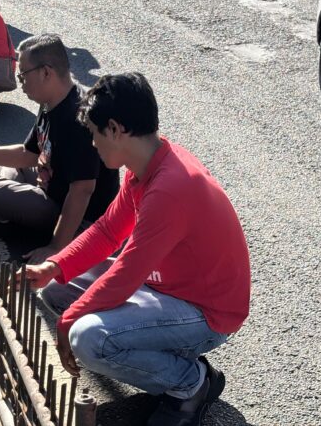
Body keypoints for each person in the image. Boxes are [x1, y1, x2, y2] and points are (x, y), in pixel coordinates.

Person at [23, 72, 251, 426]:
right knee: (58, 288)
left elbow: (126, 274)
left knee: (89, 338)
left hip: (206, 312)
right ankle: (169, 356)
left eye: (96, 135)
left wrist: (68, 324)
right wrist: (54, 265)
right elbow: (108, 232)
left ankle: (190, 384)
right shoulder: (145, 164)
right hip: (167, 288)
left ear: (115, 129)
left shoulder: (171, 188)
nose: (94, 145)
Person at [0, 34, 120, 264]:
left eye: (22, 74)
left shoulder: (78, 119)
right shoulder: (51, 101)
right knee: (6, 173)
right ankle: (8, 215)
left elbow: (82, 190)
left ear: (46, 72)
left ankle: (13, 221)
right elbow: (28, 154)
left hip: (81, 215)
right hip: (51, 181)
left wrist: (56, 248)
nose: (20, 81)